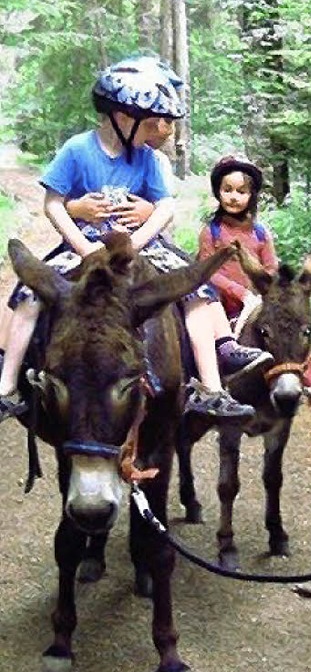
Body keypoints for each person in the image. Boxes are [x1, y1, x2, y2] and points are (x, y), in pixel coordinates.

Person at [0, 57, 270, 424]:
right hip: (86, 242)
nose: (158, 129)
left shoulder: (146, 158)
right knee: (30, 293)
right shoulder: (77, 150)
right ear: (123, 117)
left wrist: (140, 241)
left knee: (196, 291)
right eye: (150, 122)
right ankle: (7, 384)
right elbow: (53, 204)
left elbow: (164, 208)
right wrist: (85, 247)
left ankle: (212, 384)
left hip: (142, 245)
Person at [197, 154, 311, 407]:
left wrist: (267, 291)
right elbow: (208, 270)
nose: (234, 197)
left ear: (251, 194)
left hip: (257, 298)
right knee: (199, 334)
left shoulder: (260, 232)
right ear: (218, 192)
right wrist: (239, 292)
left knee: (290, 330)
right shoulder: (211, 231)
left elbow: (270, 267)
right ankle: (206, 387)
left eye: (241, 191)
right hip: (218, 302)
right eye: (227, 190)